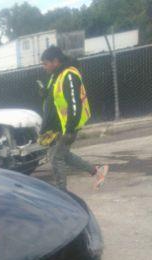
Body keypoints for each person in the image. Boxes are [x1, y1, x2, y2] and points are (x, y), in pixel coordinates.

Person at [39, 45, 109, 190]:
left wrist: (70, 128)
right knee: (64, 155)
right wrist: (45, 92)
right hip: (57, 126)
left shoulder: (69, 75)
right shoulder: (55, 75)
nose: (44, 67)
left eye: (45, 63)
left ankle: (61, 193)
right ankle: (97, 171)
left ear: (55, 61)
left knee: (56, 157)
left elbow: (74, 103)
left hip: (66, 127)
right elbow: (55, 98)